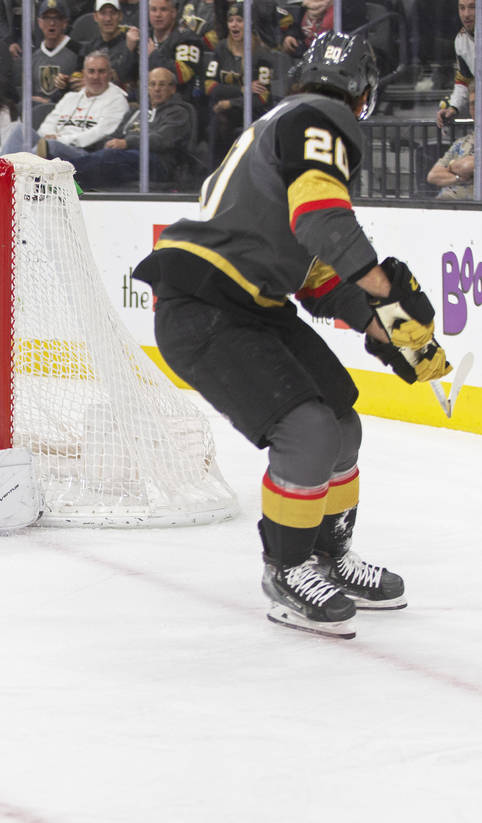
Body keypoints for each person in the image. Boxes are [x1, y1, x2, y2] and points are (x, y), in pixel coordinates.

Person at [132, 32, 452, 639]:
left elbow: (317, 272)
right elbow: (323, 218)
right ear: (362, 97)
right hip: (208, 305)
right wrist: (385, 293)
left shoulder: (283, 120)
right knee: (306, 428)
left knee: (341, 421)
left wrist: (384, 326)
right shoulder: (323, 118)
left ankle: (328, 557)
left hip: (241, 301)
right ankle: (287, 569)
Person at [70, 65, 192, 188]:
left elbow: (161, 140)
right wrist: (108, 143)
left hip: (157, 163)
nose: (156, 89)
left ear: (173, 89)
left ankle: (63, 176)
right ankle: (64, 178)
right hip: (124, 157)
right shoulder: (135, 111)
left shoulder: (179, 112)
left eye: (162, 85)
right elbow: (115, 134)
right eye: (152, 84)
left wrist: (126, 143)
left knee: (107, 158)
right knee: (93, 157)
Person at [0, 50, 128, 160]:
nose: (96, 76)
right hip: (51, 145)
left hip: (85, 153)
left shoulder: (117, 100)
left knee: (51, 146)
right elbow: (48, 124)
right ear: (84, 73)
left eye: (101, 72)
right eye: (91, 71)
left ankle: (17, 174)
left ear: (110, 74)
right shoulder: (71, 97)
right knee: (21, 130)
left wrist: (60, 139)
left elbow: (99, 134)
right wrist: (48, 136)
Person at [204, 1, 274, 164]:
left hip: (254, 113)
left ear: (249, 23)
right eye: (231, 20)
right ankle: (214, 172)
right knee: (217, 121)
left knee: (221, 119)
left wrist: (230, 102)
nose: (234, 25)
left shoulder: (261, 55)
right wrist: (243, 90)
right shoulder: (221, 49)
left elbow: (261, 99)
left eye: (239, 20)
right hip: (223, 109)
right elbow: (210, 87)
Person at [31, 0, 83, 104]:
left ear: (64, 23)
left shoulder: (79, 51)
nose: (52, 23)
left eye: (57, 18)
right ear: (40, 22)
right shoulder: (33, 56)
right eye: (47, 18)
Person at [427, 89, 476, 199]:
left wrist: (452, 166)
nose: (476, 108)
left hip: (473, 210)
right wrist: (459, 177)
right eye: (473, 104)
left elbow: (468, 165)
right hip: (445, 205)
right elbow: (433, 176)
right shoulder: (461, 142)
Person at [84, 0, 139, 92]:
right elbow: (77, 77)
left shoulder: (131, 42)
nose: (108, 18)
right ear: (95, 17)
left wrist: (128, 50)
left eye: (113, 13)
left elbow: (123, 77)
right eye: (103, 13)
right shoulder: (90, 47)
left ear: (120, 16)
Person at [437, 0, 476, 129]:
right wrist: (453, 107)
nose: (466, 14)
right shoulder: (460, 40)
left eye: (472, 7)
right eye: (462, 8)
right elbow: (464, 80)